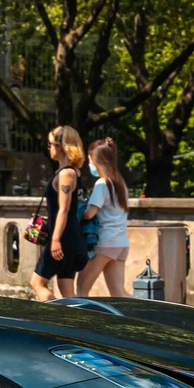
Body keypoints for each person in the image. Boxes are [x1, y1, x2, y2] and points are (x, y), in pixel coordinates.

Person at [29, 125, 87, 301]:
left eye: (51, 144)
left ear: (62, 146)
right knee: (66, 289)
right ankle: (79, 323)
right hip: (68, 237)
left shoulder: (66, 174)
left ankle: (52, 321)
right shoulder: (67, 172)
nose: (49, 148)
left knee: (37, 283)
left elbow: (64, 208)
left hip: (62, 238)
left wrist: (55, 240)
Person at [77, 138, 131, 296]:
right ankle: (143, 315)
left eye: (90, 160)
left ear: (97, 160)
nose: (89, 165)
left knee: (81, 289)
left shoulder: (102, 184)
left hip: (104, 242)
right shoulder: (120, 183)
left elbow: (89, 214)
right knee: (119, 293)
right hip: (120, 243)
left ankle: (81, 320)